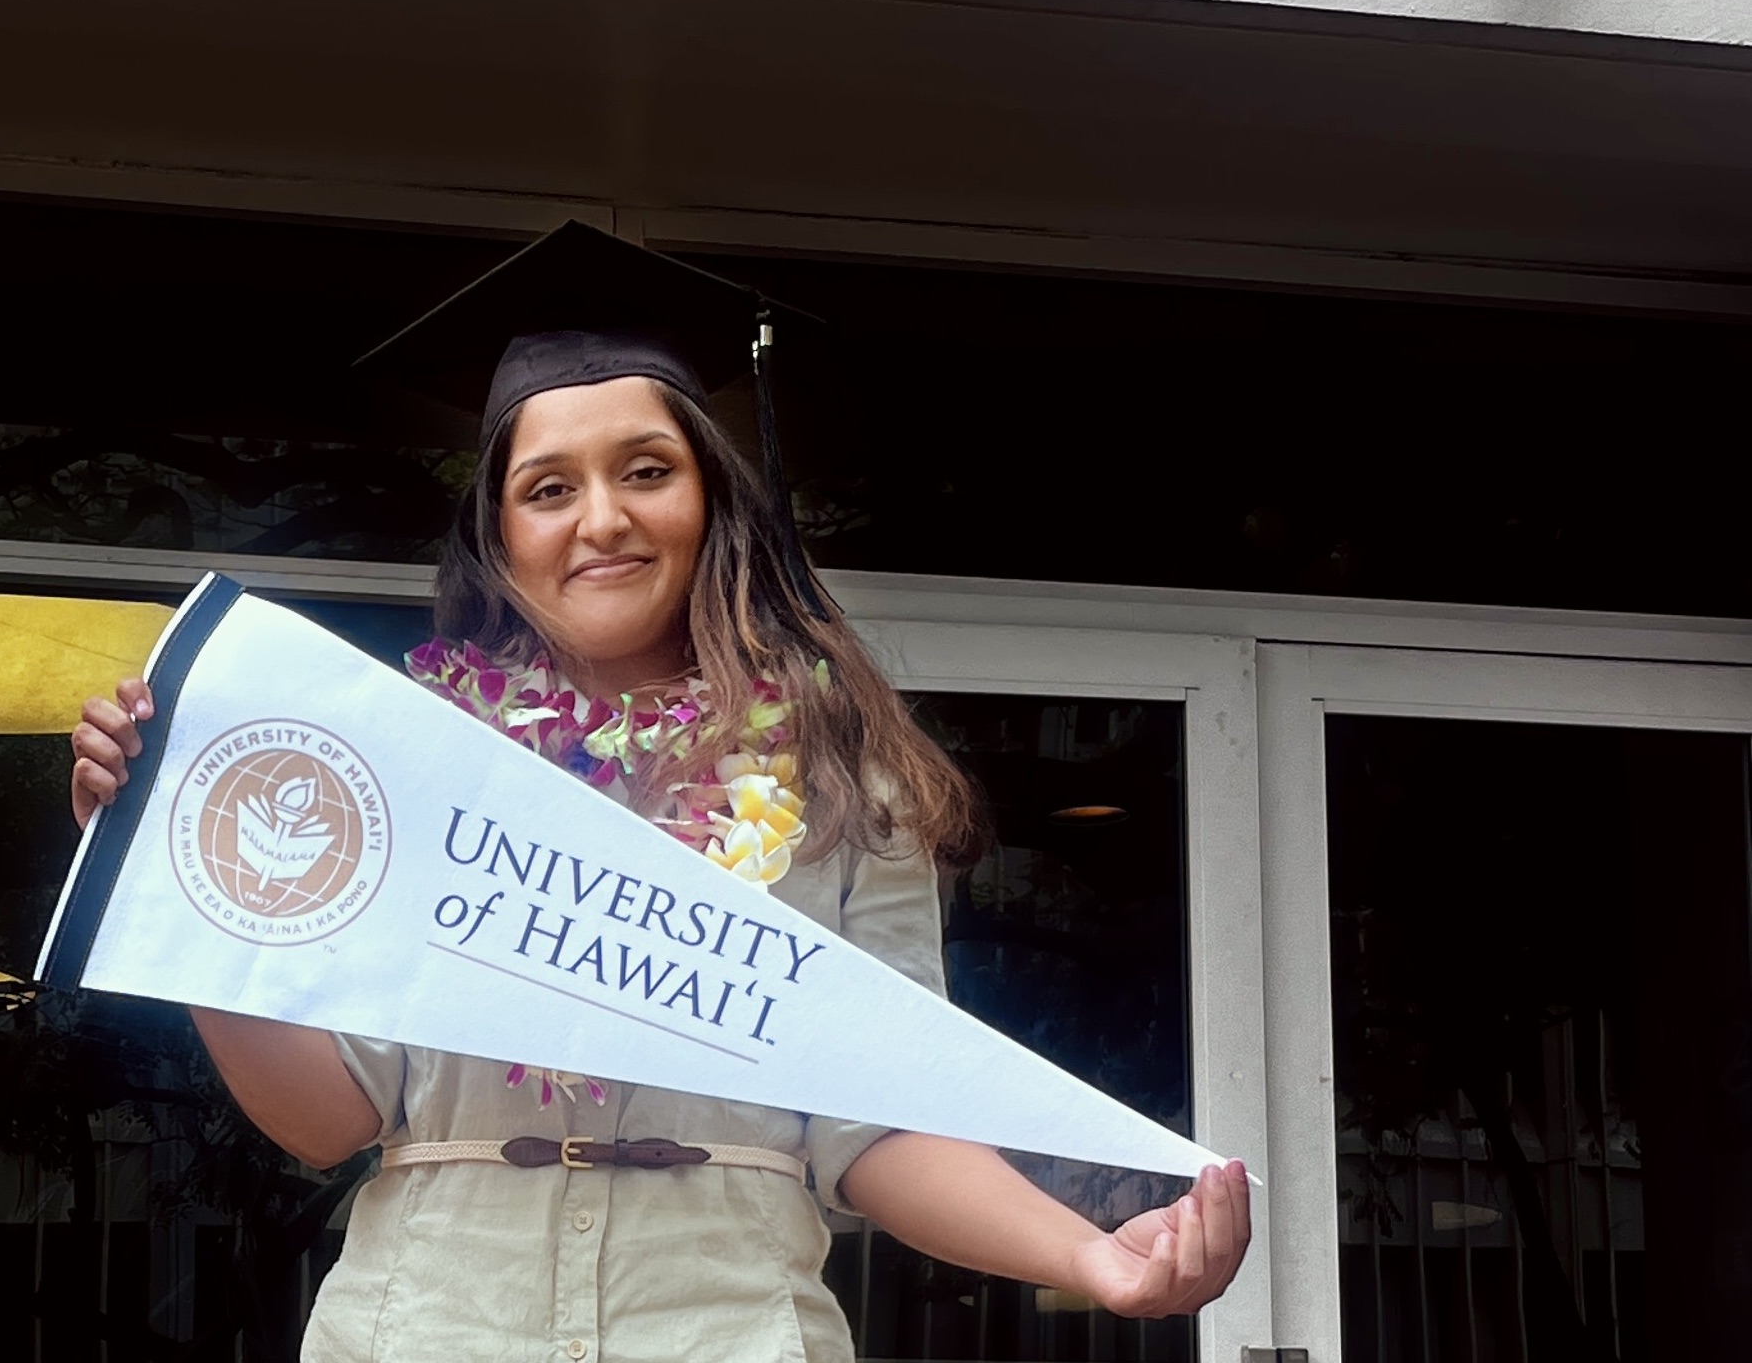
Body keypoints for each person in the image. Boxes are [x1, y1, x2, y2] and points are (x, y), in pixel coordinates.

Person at [69, 223, 1250, 1361]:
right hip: (428, 1321)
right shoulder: (411, 764)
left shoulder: (842, 781)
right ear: (497, 531)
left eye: (646, 469)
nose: (601, 518)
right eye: (545, 487)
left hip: (725, 1324)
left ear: (708, 500)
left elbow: (874, 1122)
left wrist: (1095, 1255)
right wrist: (186, 882)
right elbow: (330, 1117)